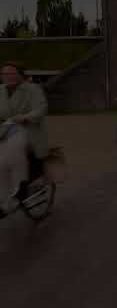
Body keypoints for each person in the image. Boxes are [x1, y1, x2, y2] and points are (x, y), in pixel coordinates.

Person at [0, 62, 49, 217]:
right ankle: (5, 201)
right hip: (5, 130)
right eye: (5, 74)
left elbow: (41, 109)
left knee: (11, 154)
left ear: (20, 74)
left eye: (12, 73)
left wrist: (25, 117)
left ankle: (19, 191)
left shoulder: (32, 89)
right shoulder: (0, 91)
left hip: (28, 130)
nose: (9, 76)